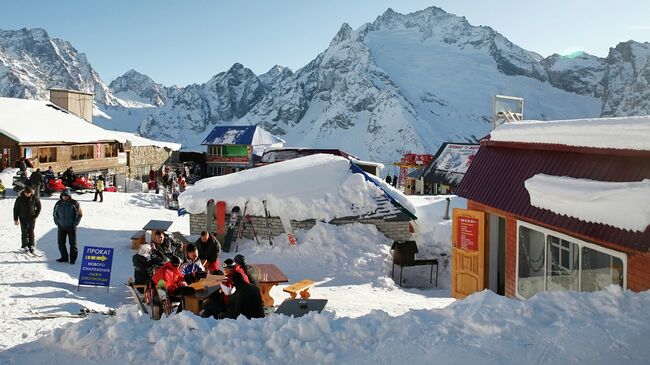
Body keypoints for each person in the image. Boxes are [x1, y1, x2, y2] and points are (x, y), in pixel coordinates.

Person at [53, 188, 82, 264]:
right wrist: (57, 222)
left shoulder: (74, 203)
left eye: (66, 196)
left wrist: (75, 223)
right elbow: (55, 214)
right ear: (61, 196)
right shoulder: (58, 203)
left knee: (72, 243)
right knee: (60, 242)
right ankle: (64, 257)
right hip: (61, 226)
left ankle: (73, 259)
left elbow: (80, 214)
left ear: (69, 196)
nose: (65, 197)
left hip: (71, 226)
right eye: (63, 196)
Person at [13, 186, 41, 253]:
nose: (28, 194)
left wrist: (36, 215)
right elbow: (15, 209)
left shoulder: (34, 197)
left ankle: (31, 245)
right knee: (24, 232)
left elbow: (39, 206)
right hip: (22, 218)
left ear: (31, 192)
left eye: (29, 193)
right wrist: (15, 219)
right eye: (26, 193)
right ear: (24, 192)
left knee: (31, 231)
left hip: (31, 218)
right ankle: (24, 246)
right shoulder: (19, 198)